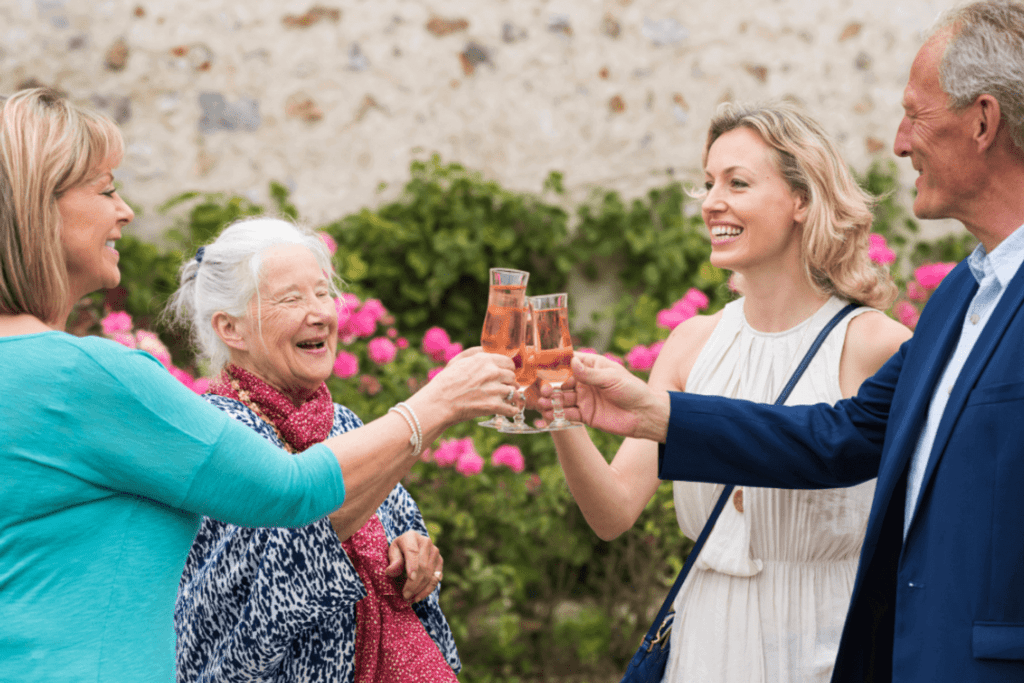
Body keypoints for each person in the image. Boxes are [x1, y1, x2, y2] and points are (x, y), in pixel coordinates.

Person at [541, 2, 1024, 681]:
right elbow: (830, 438)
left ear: (982, 121)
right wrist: (632, 412)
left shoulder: (880, 337)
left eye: (915, 115)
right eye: (709, 182)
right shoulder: (958, 301)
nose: (899, 142)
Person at [0, 88, 518, 683]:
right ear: (42, 206)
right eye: (106, 189)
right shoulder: (87, 377)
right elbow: (291, 495)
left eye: (323, 292)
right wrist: (441, 400)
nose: (126, 211)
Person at [548, 103, 910, 682]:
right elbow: (613, 512)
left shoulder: (874, 345)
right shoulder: (692, 343)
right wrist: (561, 413)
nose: (711, 201)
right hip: (704, 640)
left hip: (824, 643)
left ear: (802, 200)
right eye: (709, 182)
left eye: (737, 183)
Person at [170, 218, 461, 682]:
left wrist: (415, 554)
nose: (321, 313)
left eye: (323, 293)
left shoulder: (342, 422)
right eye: (292, 299)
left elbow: (403, 523)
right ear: (231, 328)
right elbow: (267, 597)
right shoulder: (215, 436)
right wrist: (432, 409)